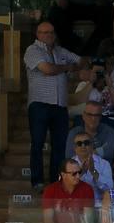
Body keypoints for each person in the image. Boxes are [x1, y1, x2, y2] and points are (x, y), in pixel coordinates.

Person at [25, 22, 82, 190]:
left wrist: (74, 69)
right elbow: (47, 69)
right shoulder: (32, 50)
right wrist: (67, 68)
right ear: (37, 34)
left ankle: (56, 181)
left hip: (60, 104)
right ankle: (37, 181)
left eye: (50, 32)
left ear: (55, 34)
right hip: (39, 103)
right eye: (44, 32)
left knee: (59, 144)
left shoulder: (60, 51)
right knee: (37, 143)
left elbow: (81, 60)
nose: (48, 35)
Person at [64, 99, 114, 164]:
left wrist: (81, 152)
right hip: (79, 171)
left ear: (100, 117)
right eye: (89, 114)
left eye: (96, 115)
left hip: (102, 171)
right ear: (83, 116)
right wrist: (99, 151)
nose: (93, 119)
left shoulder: (109, 131)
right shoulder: (73, 133)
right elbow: (70, 157)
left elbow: (108, 154)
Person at [69, 131, 113, 206]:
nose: (83, 146)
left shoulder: (104, 164)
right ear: (75, 148)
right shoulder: (68, 165)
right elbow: (64, 187)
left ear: (92, 145)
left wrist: (93, 171)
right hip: (75, 206)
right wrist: (81, 172)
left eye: (86, 143)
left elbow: (109, 188)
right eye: (79, 144)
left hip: (97, 206)